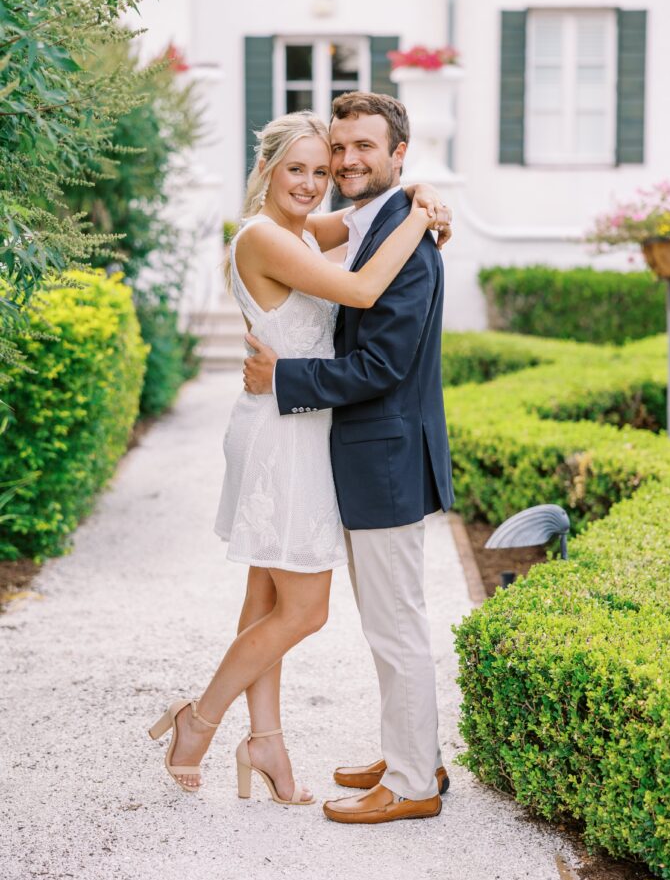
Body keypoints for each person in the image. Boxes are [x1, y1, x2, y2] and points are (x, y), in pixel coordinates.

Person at [148, 109, 451, 806]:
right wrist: (421, 215)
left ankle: (267, 745)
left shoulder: (299, 228)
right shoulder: (264, 234)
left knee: (264, 602)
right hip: (284, 434)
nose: (317, 180)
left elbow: (362, 212)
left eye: (327, 166)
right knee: (303, 611)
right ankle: (197, 721)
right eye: (303, 167)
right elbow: (363, 289)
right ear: (266, 170)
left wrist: (420, 195)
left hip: (295, 422)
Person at [244, 92, 455, 825]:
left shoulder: (405, 239)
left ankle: (410, 785)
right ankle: (412, 750)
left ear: (398, 154)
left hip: (387, 458)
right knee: (389, 620)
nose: (345, 161)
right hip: (374, 456)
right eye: (340, 148)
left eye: (364, 147)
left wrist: (285, 379)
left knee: (394, 624)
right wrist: (424, 199)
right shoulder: (377, 222)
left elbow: (383, 368)